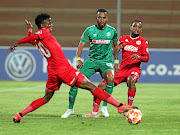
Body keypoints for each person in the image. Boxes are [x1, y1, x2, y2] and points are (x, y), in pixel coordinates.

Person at [7, 13, 135, 123]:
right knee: (92, 87)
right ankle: (119, 106)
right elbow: (33, 37)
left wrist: (29, 30)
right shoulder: (44, 32)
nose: (51, 25)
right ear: (43, 25)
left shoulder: (41, 38)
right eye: (49, 23)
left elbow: (33, 38)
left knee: (46, 98)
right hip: (64, 70)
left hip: (52, 73)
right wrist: (17, 43)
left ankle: (20, 115)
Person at [83, 20, 149, 117]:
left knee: (132, 80)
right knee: (101, 86)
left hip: (133, 69)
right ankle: (94, 112)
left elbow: (146, 58)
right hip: (121, 69)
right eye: (135, 26)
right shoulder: (123, 38)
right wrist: (117, 52)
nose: (136, 29)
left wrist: (139, 57)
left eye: (139, 27)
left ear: (141, 30)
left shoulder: (143, 42)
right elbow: (115, 50)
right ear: (130, 28)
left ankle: (128, 108)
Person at [61, 9, 120, 118]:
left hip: (105, 62)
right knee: (75, 81)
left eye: (104, 17)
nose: (101, 20)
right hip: (91, 61)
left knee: (110, 78)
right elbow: (80, 45)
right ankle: (70, 109)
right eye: (99, 17)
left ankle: (104, 107)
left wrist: (116, 62)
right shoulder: (89, 30)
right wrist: (78, 59)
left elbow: (116, 48)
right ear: (96, 18)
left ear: (107, 18)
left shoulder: (112, 31)